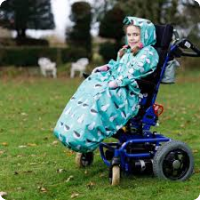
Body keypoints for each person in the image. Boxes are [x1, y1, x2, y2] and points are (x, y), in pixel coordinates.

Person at [54, 16, 159, 153]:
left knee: (99, 97)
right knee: (88, 88)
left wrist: (118, 82)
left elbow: (134, 72)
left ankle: (83, 138)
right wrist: (106, 68)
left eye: (136, 35)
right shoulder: (129, 51)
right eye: (129, 35)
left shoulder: (148, 53)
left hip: (129, 91)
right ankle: (71, 131)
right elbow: (120, 66)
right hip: (116, 82)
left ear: (145, 35)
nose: (132, 38)